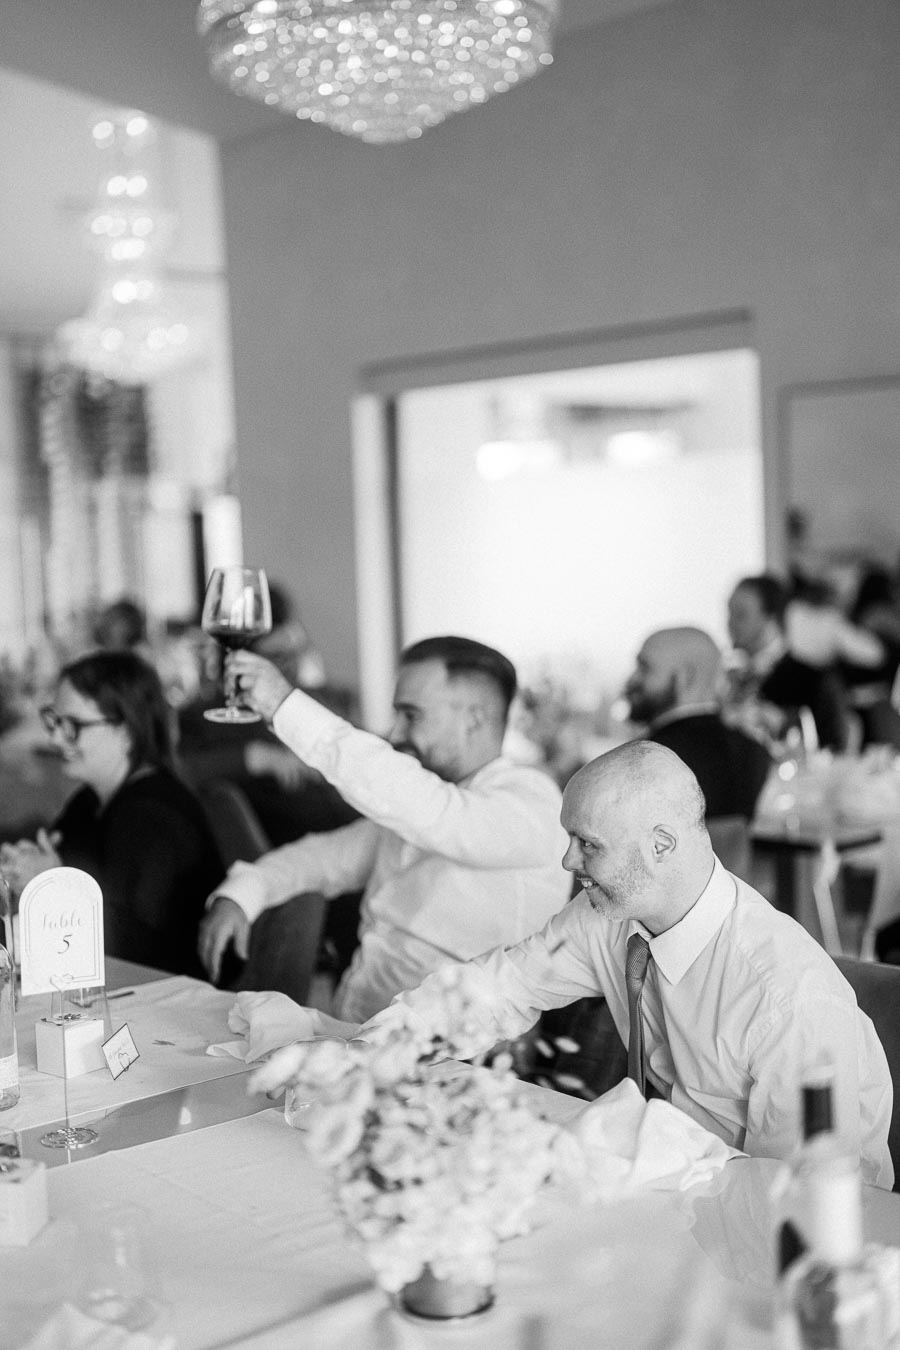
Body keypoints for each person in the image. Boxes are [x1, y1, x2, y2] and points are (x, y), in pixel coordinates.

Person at [362, 742, 893, 1187]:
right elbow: (499, 989)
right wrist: (365, 1055)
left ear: (661, 845)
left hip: (767, 1211)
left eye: (587, 844)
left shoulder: (785, 999)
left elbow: (795, 1195)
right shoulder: (608, 918)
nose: (568, 862)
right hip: (666, 1187)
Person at [198, 635, 571, 1022]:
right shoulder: (427, 802)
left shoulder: (532, 804)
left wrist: (284, 707)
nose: (395, 735)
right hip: (356, 1034)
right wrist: (242, 893)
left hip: (462, 1058)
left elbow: (437, 814)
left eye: (411, 715)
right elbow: (321, 859)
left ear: (474, 718)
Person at [0, 650, 222, 978]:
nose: (55, 737)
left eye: (72, 725)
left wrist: (51, 884)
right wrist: (24, 871)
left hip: (161, 998)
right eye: (54, 720)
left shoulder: (151, 815)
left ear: (125, 729)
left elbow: (131, 943)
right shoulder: (89, 801)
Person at [624, 626, 771, 820]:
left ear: (687, 676)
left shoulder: (641, 761)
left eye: (645, 668)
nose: (633, 679)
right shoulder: (757, 754)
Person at [725, 573, 850, 750]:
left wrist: (781, 724)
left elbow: (833, 747)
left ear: (771, 617)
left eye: (741, 614)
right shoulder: (726, 679)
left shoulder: (815, 681)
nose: (730, 623)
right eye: (729, 612)